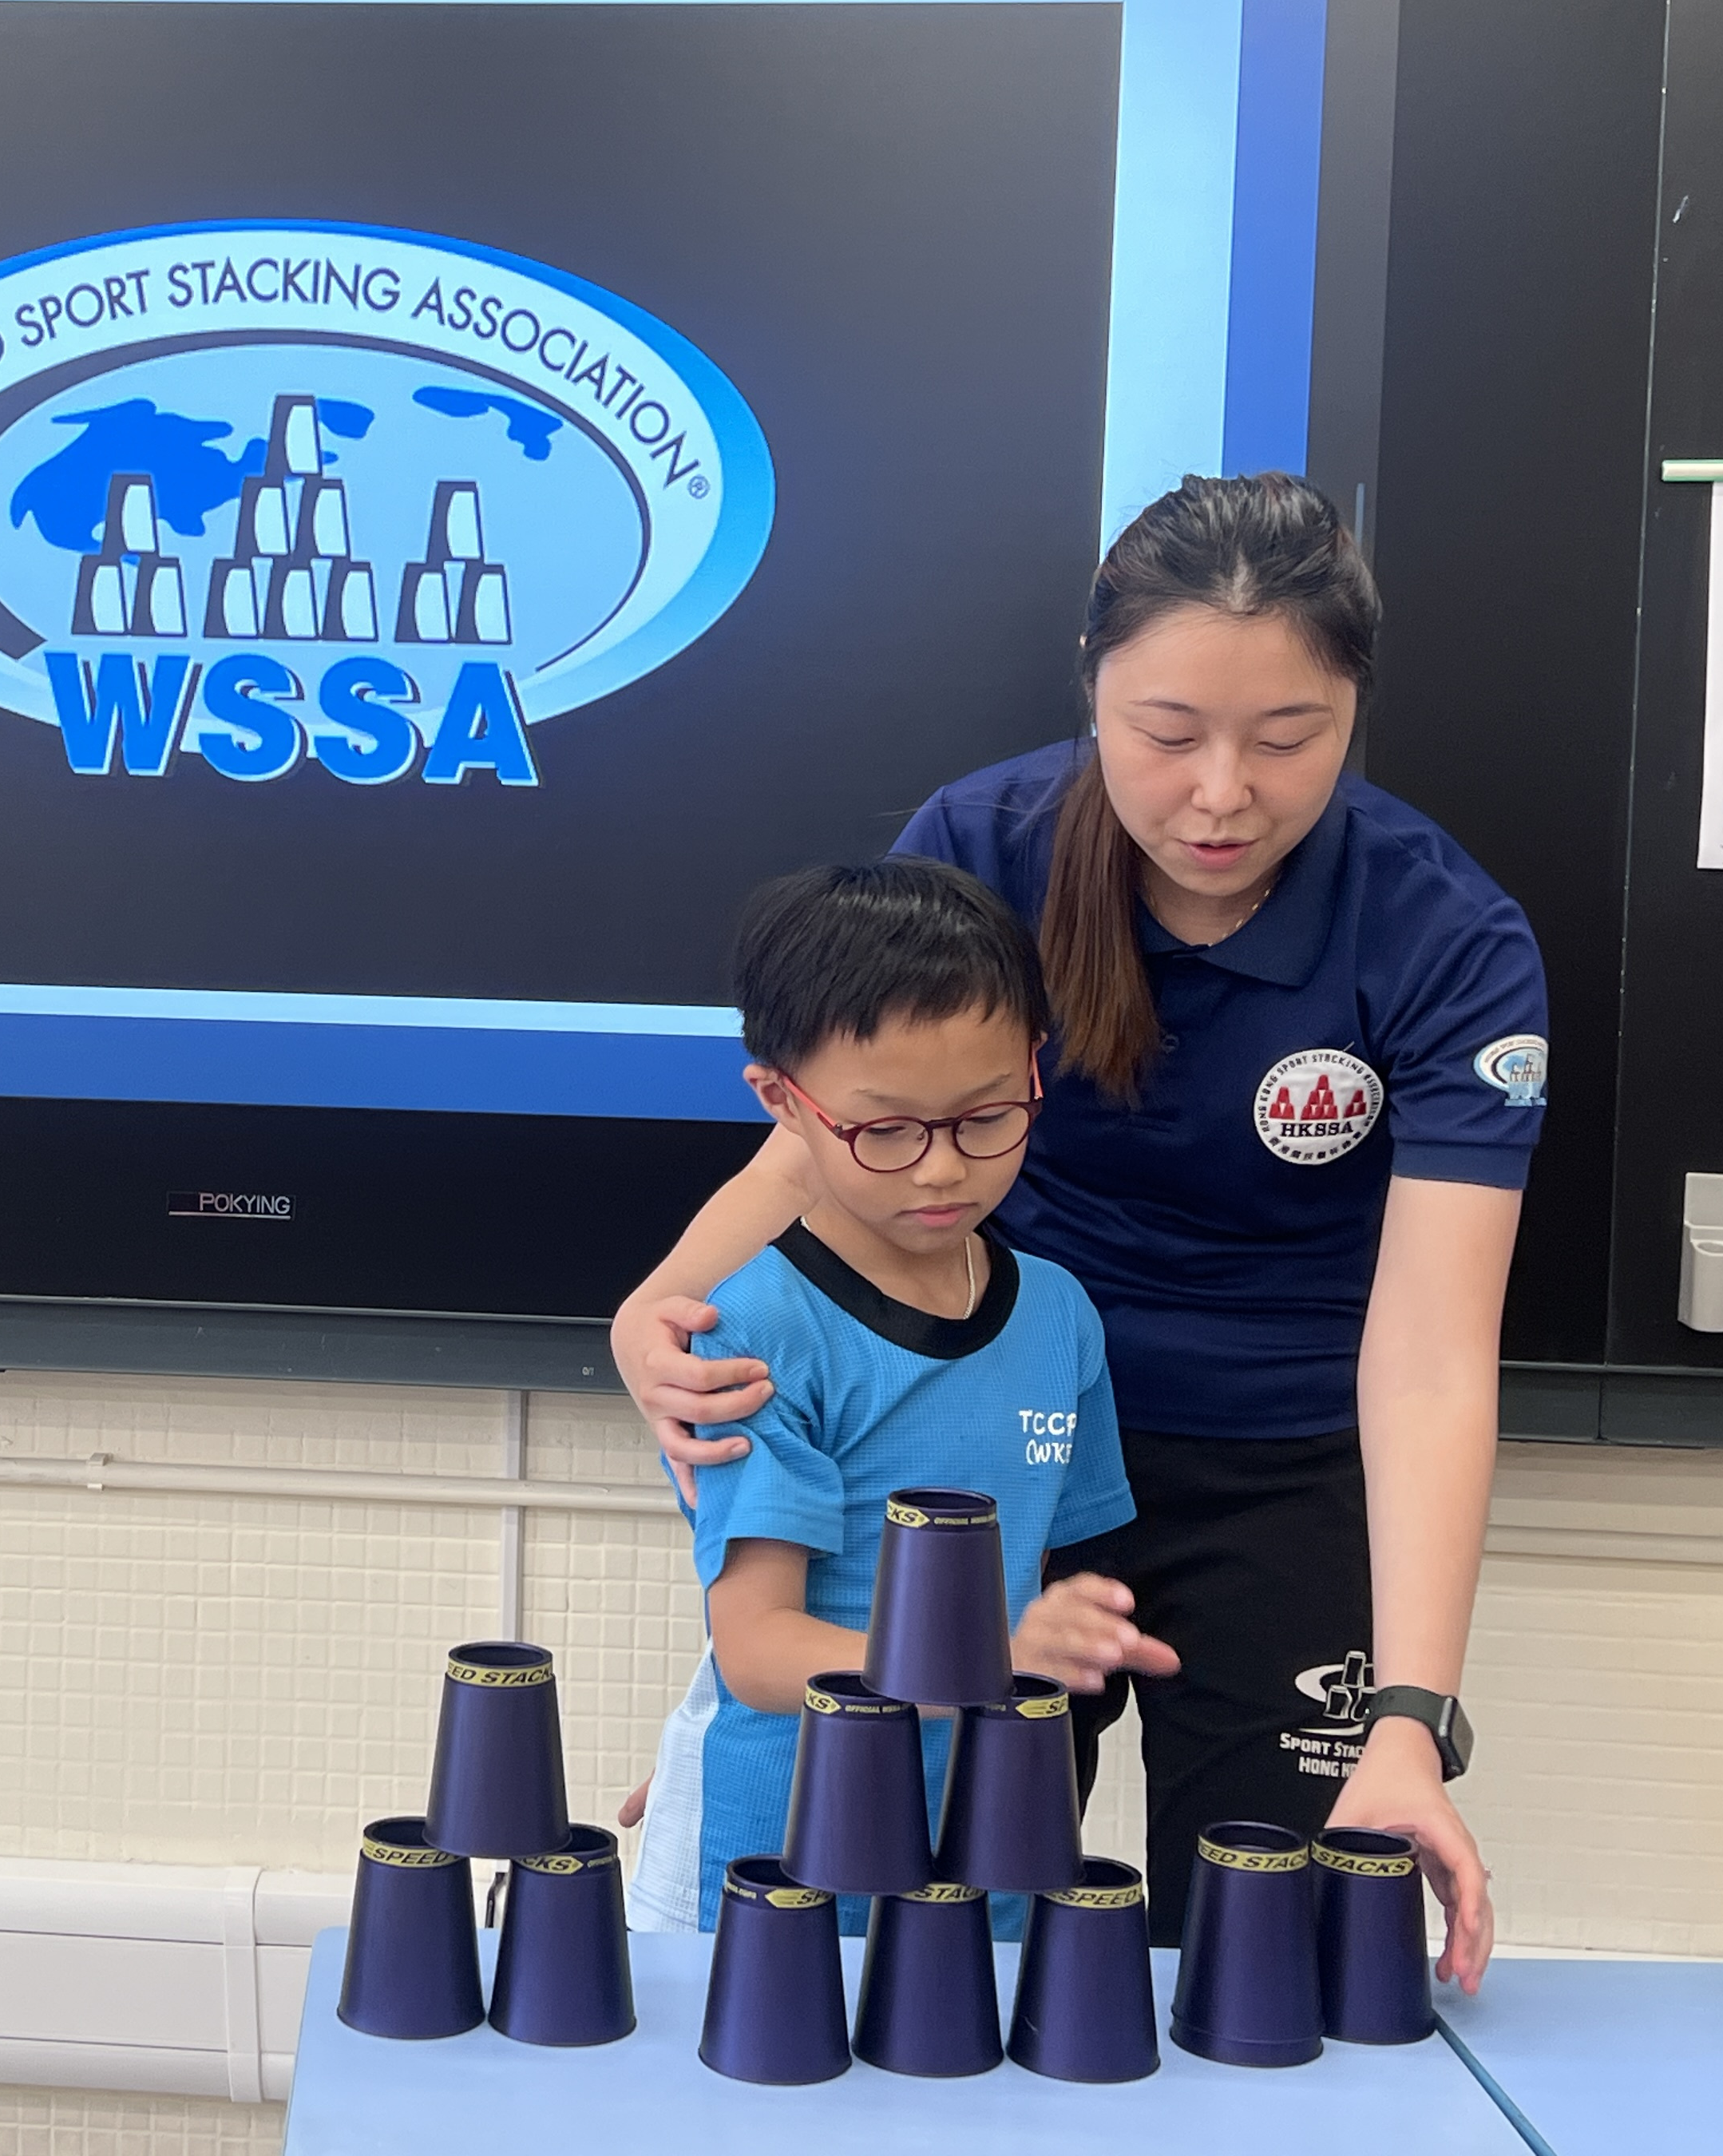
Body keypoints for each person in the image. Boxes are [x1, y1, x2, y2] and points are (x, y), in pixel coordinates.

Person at [616, 474, 1539, 1989]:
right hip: (1000, 1442)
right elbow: (835, 1140)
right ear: (1092, 687)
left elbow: (1435, 1354)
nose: (1221, 794)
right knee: (923, 1935)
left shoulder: (1442, 935)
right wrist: (655, 1307)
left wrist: (1408, 1724)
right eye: (1167, 734)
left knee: (1265, 1957)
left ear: (1355, 711)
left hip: (1282, 1468)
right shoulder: (990, 844)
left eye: (1288, 738)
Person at [620, 856, 1165, 1937]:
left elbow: (1067, 1572)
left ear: (1035, 1065)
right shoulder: (756, 1332)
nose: (942, 1169)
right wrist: (988, 1660)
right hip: (773, 1862)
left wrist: (1070, 1640)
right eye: (887, 1131)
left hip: (984, 1853)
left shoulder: (1059, 1315)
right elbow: (758, 1651)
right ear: (783, 1102)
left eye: (986, 1117)